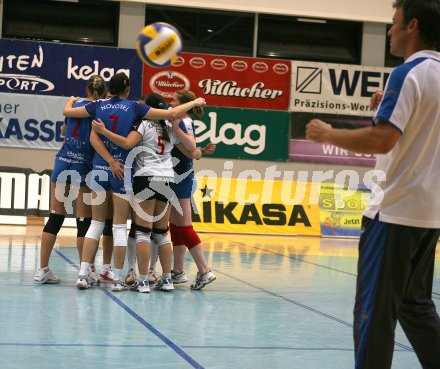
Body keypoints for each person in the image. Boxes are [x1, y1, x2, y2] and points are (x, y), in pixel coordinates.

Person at [306, 1, 440, 368]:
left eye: (394, 23)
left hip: (393, 211)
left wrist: (328, 132)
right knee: (416, 306)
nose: (389, 30)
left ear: (412, 25)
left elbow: (383, 141)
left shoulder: (408, 72)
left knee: (374, 315)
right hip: (429, 215)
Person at [63, 73, 206, 291]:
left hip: (107, 170)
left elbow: (86, 128)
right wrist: (195, 103)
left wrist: (106, 149)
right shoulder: (149, 117)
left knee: (104, 225)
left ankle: (87, 274)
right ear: (128, 90)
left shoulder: (101, 106)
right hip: (146, 176)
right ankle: (139, 278)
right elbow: (184, 135)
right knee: (148, 231)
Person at [92, 92, 198, 292]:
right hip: (167, 179)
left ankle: (142, 280)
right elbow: (190, 149)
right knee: (161, 233)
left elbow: (126, 143)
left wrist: (103, 131)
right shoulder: (169, 126)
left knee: (142, 232)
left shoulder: (143, 124)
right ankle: (166, 279)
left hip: (146, 177)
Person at [33, 75, 106, 284]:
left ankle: (42, 269)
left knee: (55, 216)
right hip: (83, 164)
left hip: (62, 161)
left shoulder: (75, 104)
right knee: (83, 220)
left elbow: (65, 130)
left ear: (86, 89)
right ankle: (86, 271)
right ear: (103, 91)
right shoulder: (98, 108)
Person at [165, 90, 216, 290]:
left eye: (175, 100)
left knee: (184, 224)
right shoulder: (180, 120)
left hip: (181, 176)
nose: (171, 102)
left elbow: (189, 145)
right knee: (176, 224)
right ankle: (178, 271)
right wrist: (198, 152)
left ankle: (204, 270)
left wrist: (176, 130)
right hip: (178, 174)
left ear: (184, 104)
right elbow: (190, 150)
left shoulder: (183, 121)